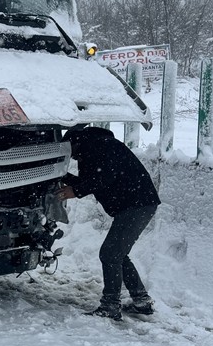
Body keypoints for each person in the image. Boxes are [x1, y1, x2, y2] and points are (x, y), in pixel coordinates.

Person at [57, 126, 161, 321]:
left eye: (71, 152)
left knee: (110, 253)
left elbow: (103, 178)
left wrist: (75, 191)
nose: (72, 157)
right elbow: (90, 180)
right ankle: (141, 301)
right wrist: (61, 176)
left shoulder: (101, 147)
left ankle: (110, 306)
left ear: (75, 142)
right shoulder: (94, 148)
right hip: (137, 204)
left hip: (136, 204)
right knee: (118, 254)